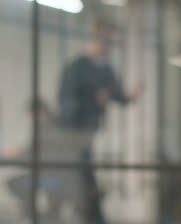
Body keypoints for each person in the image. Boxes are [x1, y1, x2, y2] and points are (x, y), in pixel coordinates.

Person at [58, 17, 142, 224]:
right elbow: (67, 100)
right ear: (98, 37)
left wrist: (129, 95)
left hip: (89, 131)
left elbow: (118, 95)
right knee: (81, 178)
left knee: (85, 177)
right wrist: (95, 98)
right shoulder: (78, 66)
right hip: (75, 132)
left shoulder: (105, 69)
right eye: (109, 41)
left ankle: (93, 215)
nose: (111, 47)